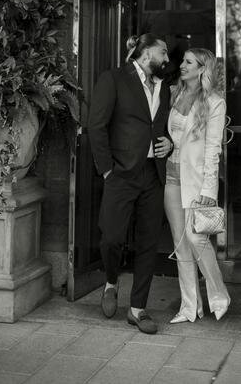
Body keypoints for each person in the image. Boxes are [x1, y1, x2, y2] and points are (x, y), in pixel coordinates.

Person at [87, 33, 173, 335]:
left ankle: (138, 310)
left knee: (149, 242)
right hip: (121, 174)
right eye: (163, 52)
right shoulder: (113, 79)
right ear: (146, 51)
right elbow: (96, 126)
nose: (166, 59)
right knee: (111, 237)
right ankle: (111, 282)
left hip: (153, 174)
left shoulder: (165, 88)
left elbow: (162, 128)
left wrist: (169, 145)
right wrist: (107, 170)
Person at [164, 48, 231, 323]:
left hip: (196, 182)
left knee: (196, 238)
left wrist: (208, 191)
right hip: (170, 176)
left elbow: (214, 149)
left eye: (188, 62)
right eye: (183, 61)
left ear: (202, 68)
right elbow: (170, 135)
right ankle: (190, 307)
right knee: (180, 244)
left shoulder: (215, 102)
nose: (182, 65)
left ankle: (219, 295)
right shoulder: (175, 94)